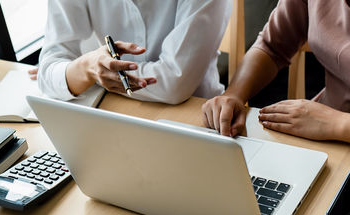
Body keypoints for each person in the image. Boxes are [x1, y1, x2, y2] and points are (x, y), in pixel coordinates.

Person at [202, 0, 350, 143]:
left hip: (326, 127)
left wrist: (337, 124)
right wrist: (234, 95)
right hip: (323, 135)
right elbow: (271, 46)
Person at [37, 0, 231, 105]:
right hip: (112, 115)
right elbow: (47, 73)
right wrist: (89, 67)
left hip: (194, 116)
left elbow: (175, 83)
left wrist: (87, 73)